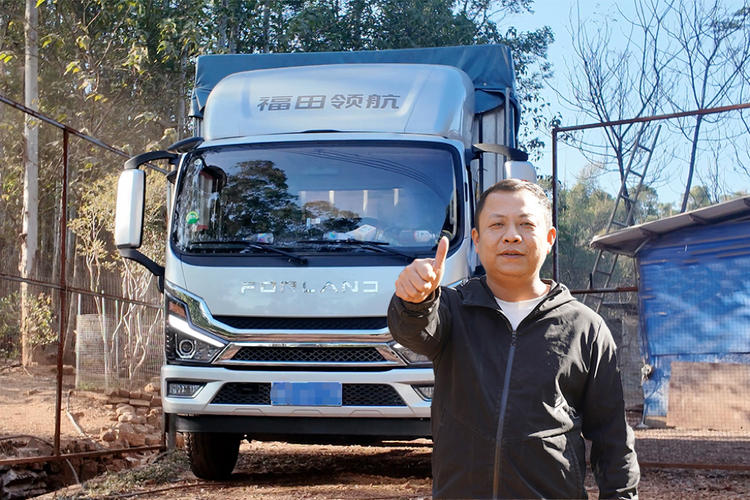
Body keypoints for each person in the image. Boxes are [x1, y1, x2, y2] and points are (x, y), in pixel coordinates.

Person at [387, 179, 640, 499]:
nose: (511, 235)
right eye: (497, 224)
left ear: (549, 239)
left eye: (526, 224)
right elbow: (414, 331)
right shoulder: (450, 309)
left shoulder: (586, 328)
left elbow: (613, 441)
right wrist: (415, 301)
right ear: (476, 240)